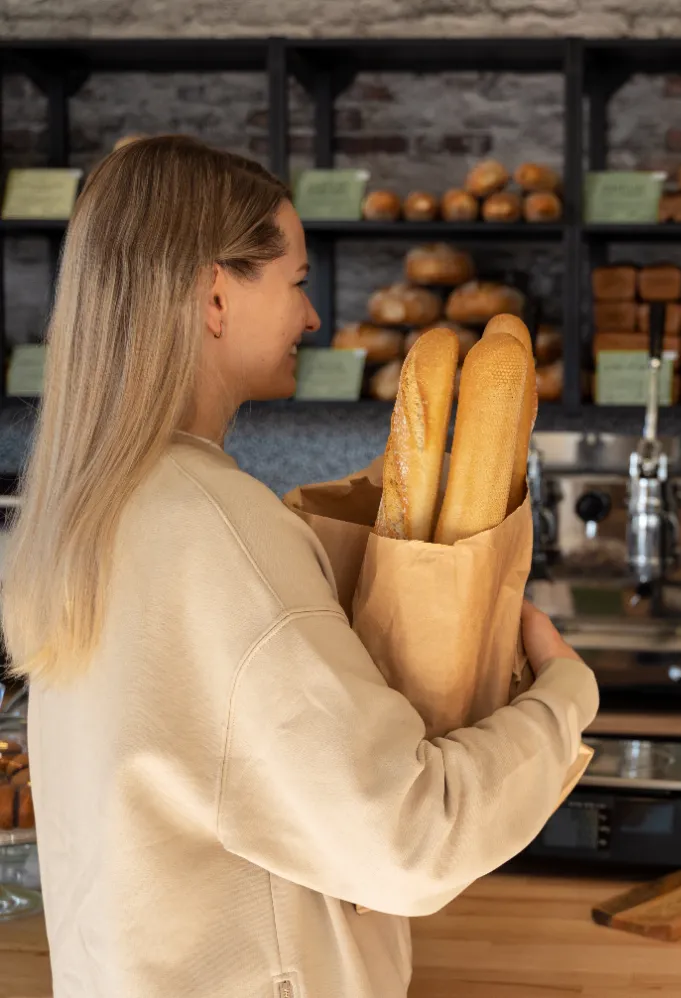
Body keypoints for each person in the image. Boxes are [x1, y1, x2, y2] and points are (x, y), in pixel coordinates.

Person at [2, 136, 599, 998]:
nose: (313, 318)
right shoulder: (214, 530)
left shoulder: (84, 513)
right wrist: (562, 698)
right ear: (214, 294)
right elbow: (406, 841)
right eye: (295, 282)